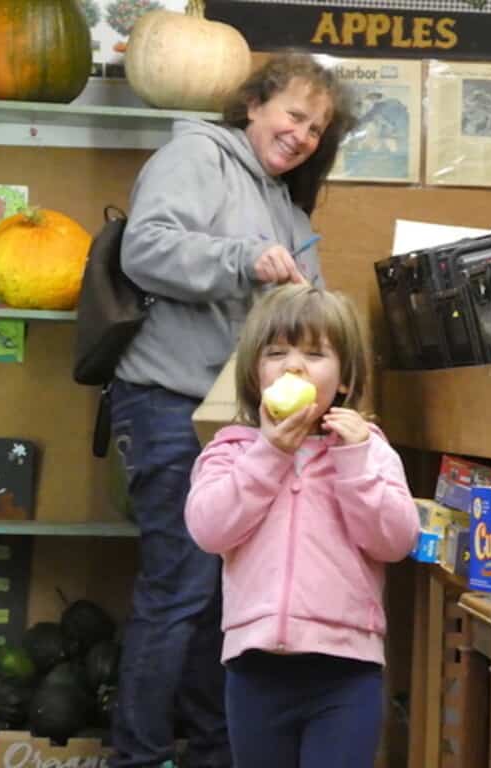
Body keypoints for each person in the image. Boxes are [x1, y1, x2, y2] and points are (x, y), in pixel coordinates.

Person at [110, 54, 356, 768]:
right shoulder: (197, 156)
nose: (302, 134)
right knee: (179, 589)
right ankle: (138, 756)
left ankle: (213, 754)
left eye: (317, 128)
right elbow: (144, 249)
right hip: (166, 403)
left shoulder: (284, 201)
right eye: (293, 115)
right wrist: (244, 260)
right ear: (252, 105)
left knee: (220, 596)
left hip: (236, 423)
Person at [185, 284, 420, 768]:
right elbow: (209, 529)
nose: (293, 366)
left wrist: (353, 463)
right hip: (255, 671)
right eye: (277, 353)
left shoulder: (368, 450)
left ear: (346, 381)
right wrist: (269, 454)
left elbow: (396, 541)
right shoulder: (232, 450)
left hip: (347, 672)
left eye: (314, 354)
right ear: (254, 375)